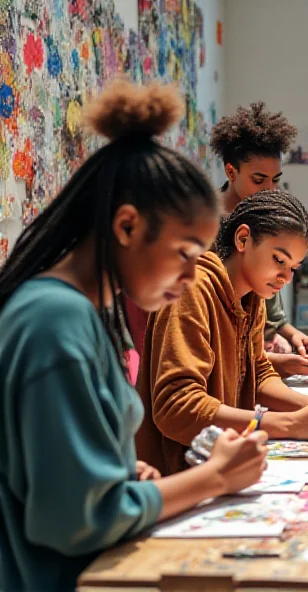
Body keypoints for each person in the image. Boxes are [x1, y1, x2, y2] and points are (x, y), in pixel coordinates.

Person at [0, 79, 268, 591]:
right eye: (185, 254)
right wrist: (216, 478)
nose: (191, 278)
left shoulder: (82, 313)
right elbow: (73, 520)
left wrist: (124, 478)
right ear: (126, 227)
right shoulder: (53, 323)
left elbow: (73, 479)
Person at [137, 190, 308, 476]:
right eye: (279, 260)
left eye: (294, 268)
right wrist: (291, 425)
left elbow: (257, 373)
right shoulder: (191, 290)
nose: (286, 277)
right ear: (243, 239)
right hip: (175, 478)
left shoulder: (251, 297)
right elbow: (177, 408)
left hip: (222, 468)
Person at [211, 102, 308, 376]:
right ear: (231, 172)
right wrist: (270, 360)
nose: (270, 190)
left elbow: (266, 296)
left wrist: (290, 332)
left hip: (255, 350)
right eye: (259, 180)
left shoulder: (263, 214)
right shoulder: (206, 225)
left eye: (276, 180)